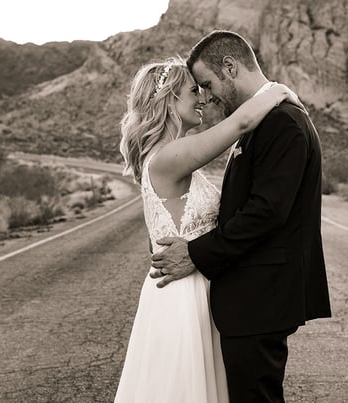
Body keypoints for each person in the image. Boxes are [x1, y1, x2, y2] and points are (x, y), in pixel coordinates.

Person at [151, 30, 332, 402]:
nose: (206, 96)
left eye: (207, 83)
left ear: (230, 67)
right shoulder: (264, 121)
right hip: (248, 299)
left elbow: (265, 213)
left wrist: (194, 253)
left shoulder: (282, 123)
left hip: (260, 298)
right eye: (198, 89)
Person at [115, 56, 299, 403]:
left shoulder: (165, 156)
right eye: (192, 90)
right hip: (183, 295)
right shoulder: (171, 156)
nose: (202, 98)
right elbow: (243, 121)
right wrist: (280, 90)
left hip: (193, 284)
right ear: (169, 99)